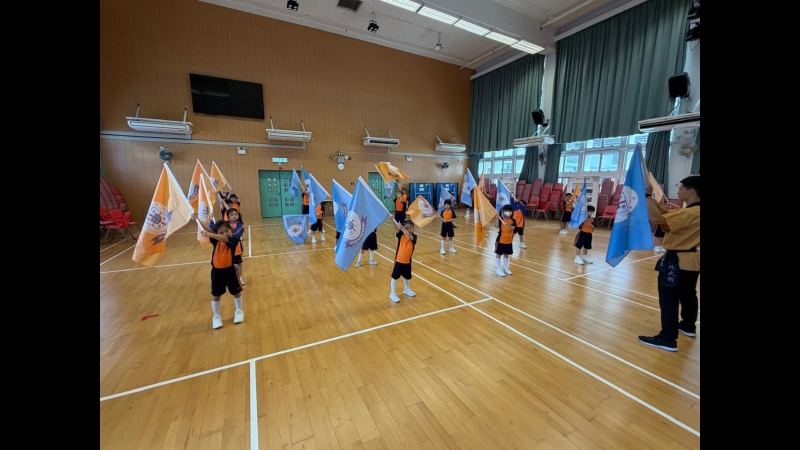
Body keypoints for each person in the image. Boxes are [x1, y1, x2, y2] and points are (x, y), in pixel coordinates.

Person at [638, 176, 700, 352]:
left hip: (679, 261)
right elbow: (668, 215)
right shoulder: (693, 211)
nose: (678, 191)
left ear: (691, 191)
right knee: (688, 295)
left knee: (669, 300)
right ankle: (688, 326)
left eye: (680, 188)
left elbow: (658, 219)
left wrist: (647, 196)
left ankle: (667, 338)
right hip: (692, 260)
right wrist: (653, 201)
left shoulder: (691, 213)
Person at [193, 214, 244, 329]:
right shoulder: (216, 241)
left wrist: (211, 234)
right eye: (221, 232)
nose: (225, 233)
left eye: (226, 231)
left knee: (236, 292)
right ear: (217, 233)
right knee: (216, 295)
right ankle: (216, 316)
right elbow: (208, 230)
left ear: (230, 230)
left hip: (230, 271)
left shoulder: (233, 239)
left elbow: (223, 238)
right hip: (216, 273)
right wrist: (197, 219)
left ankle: (239, 311)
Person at [389, 219, 417, 303]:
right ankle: (392, 293)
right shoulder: (400, 235)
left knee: (406, 276)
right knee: (395, 277)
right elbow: (396, 228)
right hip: (399, 260)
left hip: (407, 261)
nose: (409, 229)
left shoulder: (414, 237)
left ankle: (406, 289)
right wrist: (392, 220)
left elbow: (409, 237)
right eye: (406, 228)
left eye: (410, 227)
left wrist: (403, 228)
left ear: (413, 228)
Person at [495, 204, 516, 277]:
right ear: (503, 211)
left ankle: (505, 267)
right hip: (501, 240)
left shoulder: (513, 220)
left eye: (509, 210)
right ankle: (498, 269)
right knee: (498, 254)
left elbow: (513, 228)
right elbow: (496, 226)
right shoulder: (501, 219)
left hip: (509, 240)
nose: (508, 212)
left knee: (506, 254)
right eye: (506, 210)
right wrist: (497, 218)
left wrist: (508, 225)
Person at [227, 209, 246, 285]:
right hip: (227, 248)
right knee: (229, 264)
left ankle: (240, 278)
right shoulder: (225, 224)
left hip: (237, 249)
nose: (234, 216)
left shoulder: (239, 225)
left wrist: (227, 232)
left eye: (236, 214)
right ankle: (231, 277)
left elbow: (236, 233)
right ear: (228, 216)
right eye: (232, 215)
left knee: (238, 263)